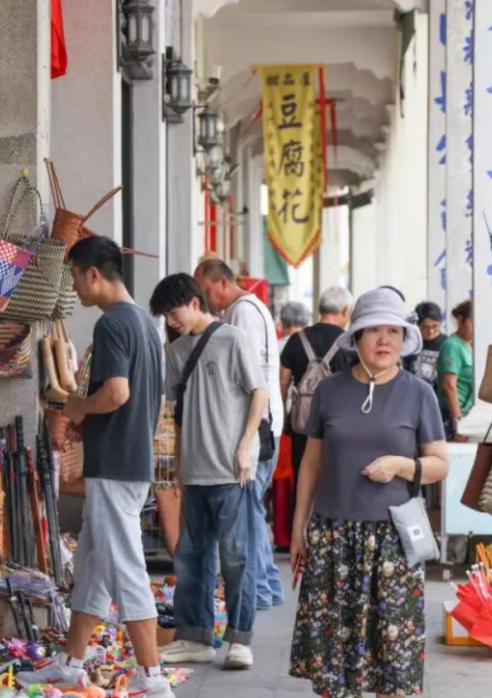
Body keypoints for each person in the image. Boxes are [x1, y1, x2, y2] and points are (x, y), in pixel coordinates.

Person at [17, 237, 172, 698]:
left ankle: (152, 677)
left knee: (125, 567)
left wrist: (76, 406)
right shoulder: (145, 324)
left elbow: (117, 393)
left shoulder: (112, 324)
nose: (74, 288)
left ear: (93, 274)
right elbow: (147, 402)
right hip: (129, 459)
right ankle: (71, 663)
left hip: (115, 467)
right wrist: (95, 423)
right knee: (91, 568)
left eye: (74, 277)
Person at [289, 287, 451, 698]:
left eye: (393, 331)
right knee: (333, 666)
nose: (384, 340)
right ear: (356, 337)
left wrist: (400, 465)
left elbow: (440, 464)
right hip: (333, 538)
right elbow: (311, 464)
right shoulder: (329, 390)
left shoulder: (419, 393)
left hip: (393, 542)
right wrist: (298, 528)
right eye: (374, 330)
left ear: (404, 339)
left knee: (392, 664)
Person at [151, 274, 268, 670]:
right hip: (194, 472)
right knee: (191, 558)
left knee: (236, 558)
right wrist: (180, 465)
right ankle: (195, 637)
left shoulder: (233, 339)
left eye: (173, 312)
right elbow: (179, 415)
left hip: (232, 472)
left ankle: (240, 639)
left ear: (195, 302)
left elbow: (260, 392)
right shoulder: (175, 352)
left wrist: (245, 445)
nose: (171, 321)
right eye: (166, 316)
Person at [194, 259, 285, 610]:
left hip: (256, 428)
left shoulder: (243, 313)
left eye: (206, 291)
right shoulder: (247, 309)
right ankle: (267, 587)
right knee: (252, 510)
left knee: (247, 513)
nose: (205, 300)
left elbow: (246, 378)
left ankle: (259, 590)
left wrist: (242, 439)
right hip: (261, 425)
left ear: (221, 282)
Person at [279, 286, 353, 511]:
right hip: (340, 425)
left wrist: (283, 417)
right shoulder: (350, 343)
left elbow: (283, 381)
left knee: (302, 476)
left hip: (303, 424)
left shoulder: (297, 339)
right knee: (335, 477)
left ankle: (300, 526)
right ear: (345, 311)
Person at [437, 300, 474, 441]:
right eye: (471, 322)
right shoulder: (452, 346)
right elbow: (448, 386)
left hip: (469, 415)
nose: (475, 327)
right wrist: (458, 423)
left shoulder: (471, 346)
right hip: (454, 416)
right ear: (460, 320)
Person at [403, 301, 447, 384]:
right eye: (425, 327)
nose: (430, 331)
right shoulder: (411, 343)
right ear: (417, 325)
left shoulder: (446, 344)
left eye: (435, 326)